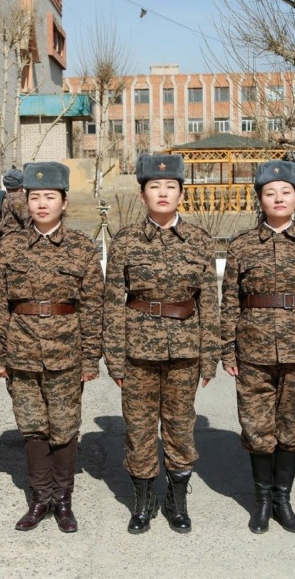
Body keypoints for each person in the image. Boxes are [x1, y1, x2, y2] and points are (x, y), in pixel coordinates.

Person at [103, 154, 220, 535]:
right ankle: (143, 500)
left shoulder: (200, 240)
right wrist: (115, 359)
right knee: (137, 428)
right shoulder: (125, 241)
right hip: (137, 352)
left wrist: (210, 359)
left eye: (171, 187)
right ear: (142, 195)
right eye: (155, 186)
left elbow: (210, 303)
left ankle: (177, 499)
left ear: (182, 195)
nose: (163, 193)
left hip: (185, 352)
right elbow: (112, 303)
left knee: (180, 427)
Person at [221, 160, 295, 534]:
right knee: (256, 427)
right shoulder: (241, 246)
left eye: (286, 192)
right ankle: (262, 501)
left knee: (294, 425)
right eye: (270, 193)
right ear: (260, 199)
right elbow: (229, 302)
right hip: (252, 350)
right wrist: (227, 349)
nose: (278, 198)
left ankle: (283, 500)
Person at [0, 161, 104, 533]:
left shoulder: (81, 248)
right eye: (34, 197)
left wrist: (90, 358)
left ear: (64, 202)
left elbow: (93, 307)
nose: (41, 204)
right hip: (20, 352)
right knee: (32, 428)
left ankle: (64, 501)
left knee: (65, 427)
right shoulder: (11, 246)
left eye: (49, 197)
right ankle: (40, 498)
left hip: (66, 353)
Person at [0, 167, 29, 239]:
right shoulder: (18, 199)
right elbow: (28, 220)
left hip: (8, 240)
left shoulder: (6, 198)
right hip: (18, 241)